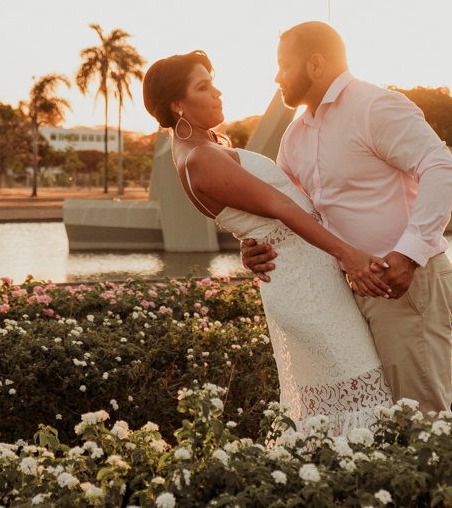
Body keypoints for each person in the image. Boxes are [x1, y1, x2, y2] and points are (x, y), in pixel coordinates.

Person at [142, 50, 394, 434]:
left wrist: (252, 243)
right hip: (307, 291)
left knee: (333, 408)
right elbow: (281, 206)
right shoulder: (200, 158)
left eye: (213, 82)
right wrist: (350, 255)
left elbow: (256, 216)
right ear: (178, 104)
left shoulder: (203, 149)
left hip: (304, 279)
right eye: (203, 87)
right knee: (362, 398)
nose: (217, 93)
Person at [242, 22, 452, 414]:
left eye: (284, 65)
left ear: (315, 65)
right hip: (344, 295)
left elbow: (441, 168)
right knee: (373, 421)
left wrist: (408, 254)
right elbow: (284, 210)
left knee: (421, 421)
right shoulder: (294, 136)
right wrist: (253, 248)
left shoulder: (375, 106)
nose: (277, 77)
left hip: (403, 285)